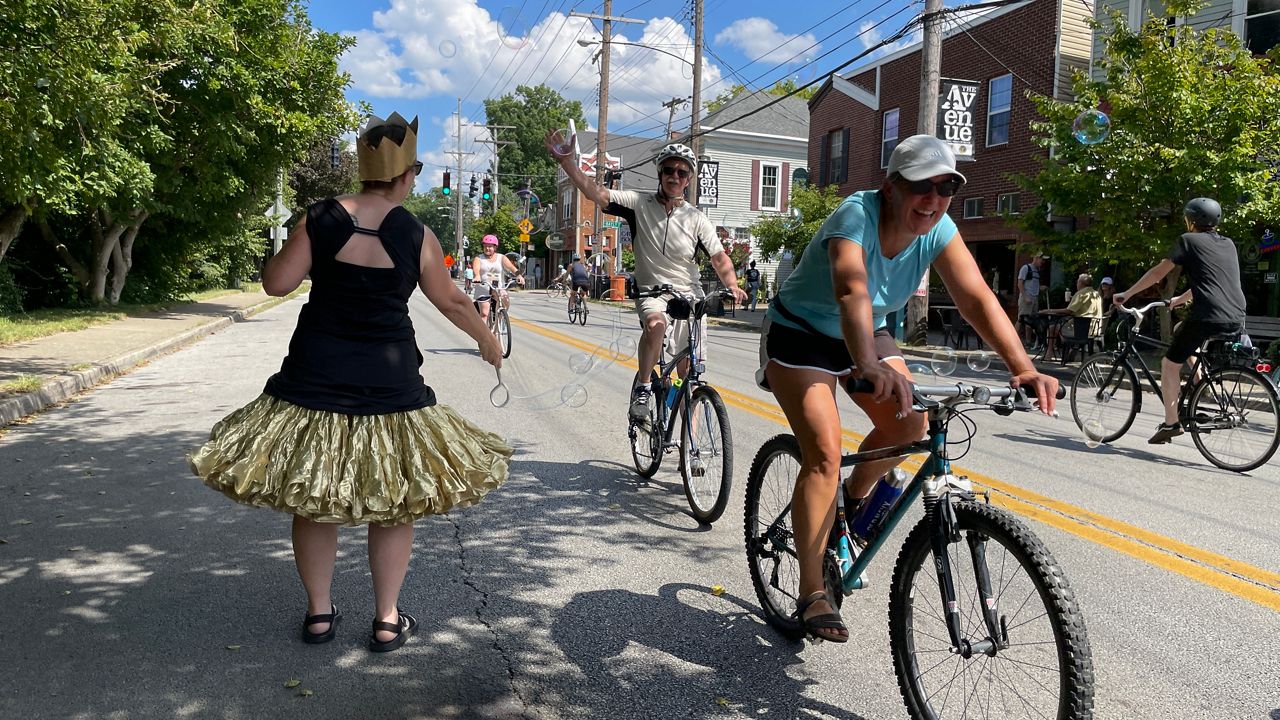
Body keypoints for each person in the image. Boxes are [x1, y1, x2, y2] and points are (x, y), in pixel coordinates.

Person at [189, 112, 511, 653]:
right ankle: (386, 618)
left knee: (313, 498)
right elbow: (452, 300)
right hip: (390, 380)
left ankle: (319, 614)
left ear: (364, 171)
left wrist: (295, 235)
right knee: (395, 501)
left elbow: (276, 284)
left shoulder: (321, 217)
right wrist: (487, 341)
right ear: (407, 176)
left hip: (316, 372)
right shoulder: (417, 233)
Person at [755, 135, 1058, 642]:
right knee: (825, 453)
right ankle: (812, 592)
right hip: (802, 333)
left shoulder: (938, 228)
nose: (935, 200)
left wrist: (1022, 367)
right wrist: (870, 364)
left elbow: (976, 297)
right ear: (891, 187)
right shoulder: (856, 214)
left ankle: (849, 509)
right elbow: (851, 286)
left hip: (864, 331)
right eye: (924, 186)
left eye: (947, 189)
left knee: (911, 421)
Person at [546, 132, 748, 421]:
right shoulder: (638, 204)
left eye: (682, 172)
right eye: (669, 170)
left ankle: (688, 451)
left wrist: (732, 286)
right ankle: (643, 388)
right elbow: (597, 193)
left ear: (689, 179)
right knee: (655, 325)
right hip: (653, 292)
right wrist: (568, 164)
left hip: (689, 295)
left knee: (689, 375)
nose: (674, 176)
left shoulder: (696, 219)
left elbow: (719, 258)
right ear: (660, 173)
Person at [1112, 197, 1246, 444]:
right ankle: (1200, 381)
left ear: (1190, 220)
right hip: (1236, 316)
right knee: (1179, 329)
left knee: (1169, 364)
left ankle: (1171, 423)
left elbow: (1157, 273)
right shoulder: (1228, 244)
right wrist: (1180, 299)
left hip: (1208, 316)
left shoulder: (1188, 240)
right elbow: (1211, 281)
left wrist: (1127, 294)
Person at [1039, 273, 1103, 359]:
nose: (1076, 284)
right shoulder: (1096, 294)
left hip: (1080, 330)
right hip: (1095, 329)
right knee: (1063, 324)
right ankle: (1072, 349)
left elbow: (1068, 311)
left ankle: (1049, 354)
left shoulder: (1081, 294)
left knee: (1053, 326)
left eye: (1077, 282)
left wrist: (1048, 311)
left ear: (1081, 283)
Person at [471, 234, 524, 326]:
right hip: (483, 287)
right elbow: (476, 268)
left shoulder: (501, 257)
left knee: (506, 301)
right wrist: (477, 276)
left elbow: (511, 267)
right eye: (485, 246)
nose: (487, 248)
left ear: (495, 247)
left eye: (490, 246)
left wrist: (519, 275)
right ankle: (483, 337)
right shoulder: (479, 258)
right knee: (484, 313)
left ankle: (500, 317)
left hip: (498, 287)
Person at [1017, 255, 1047, 347]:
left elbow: (1033, 285)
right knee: (1021, 319)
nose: (1043, 262)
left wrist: (1041, 288)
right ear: (1036, 258)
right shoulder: (1026, 268)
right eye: (1042, 259)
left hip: (1034, 298)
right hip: (1026, 298)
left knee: (1031, 321)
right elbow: (1020, 283)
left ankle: (1028, 342)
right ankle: (1013, 342)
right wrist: (1025, 297)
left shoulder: (1037, 271)